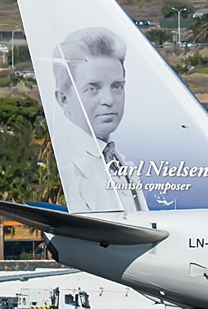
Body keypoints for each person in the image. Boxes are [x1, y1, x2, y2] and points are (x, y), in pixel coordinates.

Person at [51, 28, 144, 212]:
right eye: (93, 89)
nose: (109, 100)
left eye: (117, 86)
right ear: (63, 99)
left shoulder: (116, 159)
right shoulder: (68, 167)